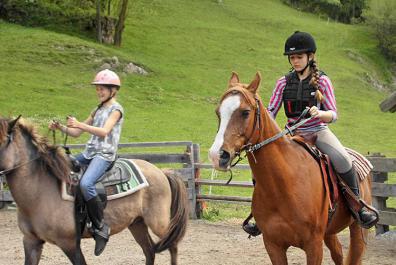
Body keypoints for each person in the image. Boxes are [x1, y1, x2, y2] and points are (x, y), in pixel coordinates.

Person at [243, 31, 377, 235]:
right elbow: (270, 112)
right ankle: (260, 214)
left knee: (342, 159)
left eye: (299, 57)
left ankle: (358, 207)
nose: (295, 61)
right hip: (292, 136)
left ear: (310, 57)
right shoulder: (282, 83)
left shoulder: (322, 81)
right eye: (292, 58)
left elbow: (333, 114)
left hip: (318, 132)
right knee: (261, 167)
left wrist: (320, 113)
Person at [49, 69, 124, 256]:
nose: (99, 92)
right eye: (98, 89)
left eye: (103, 89)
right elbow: (76, 133)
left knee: (86, 183)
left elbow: (104, 132)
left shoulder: (117, 110)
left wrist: (80, 124)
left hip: (104, 155)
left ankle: (100, 226)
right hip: (89, 153)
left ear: (113, 90)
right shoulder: (97, 109)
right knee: (61, 165)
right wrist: (62, 127)